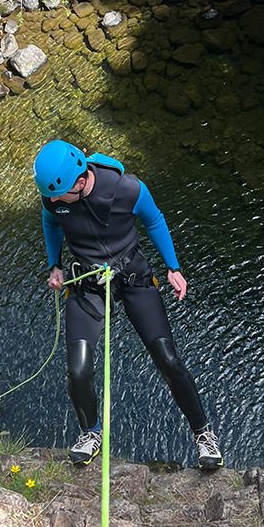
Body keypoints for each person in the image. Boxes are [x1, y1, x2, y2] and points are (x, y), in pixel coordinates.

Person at [33, 139, 223, 471]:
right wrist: (55, 265)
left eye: (56, 196)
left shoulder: (127, 189)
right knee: (78, 370)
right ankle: (90, 433)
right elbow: (51, 224)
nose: (51, 202)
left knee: (167, 358)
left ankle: (203, 434)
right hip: (87, 282)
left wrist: (173, 268)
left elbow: (155, 221)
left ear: (80, 182)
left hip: (132, 277)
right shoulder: (55, 197)